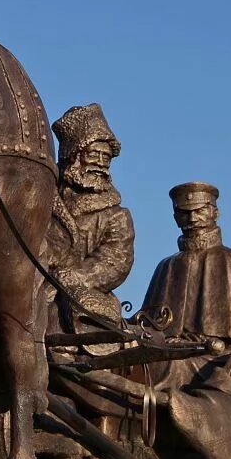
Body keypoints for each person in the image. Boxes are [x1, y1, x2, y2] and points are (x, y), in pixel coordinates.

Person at [42, 104, 135, 346]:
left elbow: (116, 260)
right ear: (73, 156)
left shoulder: (117, 215)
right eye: (94, 155)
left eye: (106, 157)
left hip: (80, 295)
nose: (101, 163)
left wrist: (73, 277)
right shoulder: (42, 200)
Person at [140, 182, 231, 344]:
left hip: (218, 356)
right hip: (167, 350)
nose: (192, 219)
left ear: (215, 213)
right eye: (185, 213)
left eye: (199, 211)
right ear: (175, 218)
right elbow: (146, 325)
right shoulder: (166, 266)